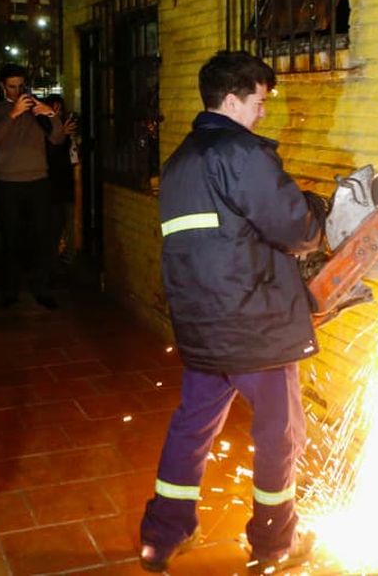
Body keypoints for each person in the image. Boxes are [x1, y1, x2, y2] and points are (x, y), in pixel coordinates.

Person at [138, 51, 326, 573]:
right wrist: (317, 210)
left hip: (202, 326)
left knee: (192, 427)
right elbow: (295, 229)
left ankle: (161, 536)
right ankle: (272, 545)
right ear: (231, 99)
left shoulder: (177, 162)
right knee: (280, 434)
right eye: (259, 101)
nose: (263, 112)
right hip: (253, 328)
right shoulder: (239, 153)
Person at [0, 64, 74, 309]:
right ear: (3, 87)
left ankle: (42, 288)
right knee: (11, 238)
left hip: (37, 181)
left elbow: (57, 138)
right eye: (12, 87)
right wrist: (13, 113)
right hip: (8, 182)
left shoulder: (37, 110)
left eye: (20, 86)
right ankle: (10, 291)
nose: (17, 91)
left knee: (42, 237)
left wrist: (49, 114)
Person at [42, 94, 77, 266]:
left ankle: (65, 254)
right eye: (53, 110)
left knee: (67, 220)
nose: (57, 113)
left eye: (60, 109)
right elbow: (49, 156)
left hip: (66, 183)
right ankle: (52, 259)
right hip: (51, 185)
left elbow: (73, 156)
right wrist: (61, 136)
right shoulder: (44, 129)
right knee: (54, 223)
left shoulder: (66, 128)